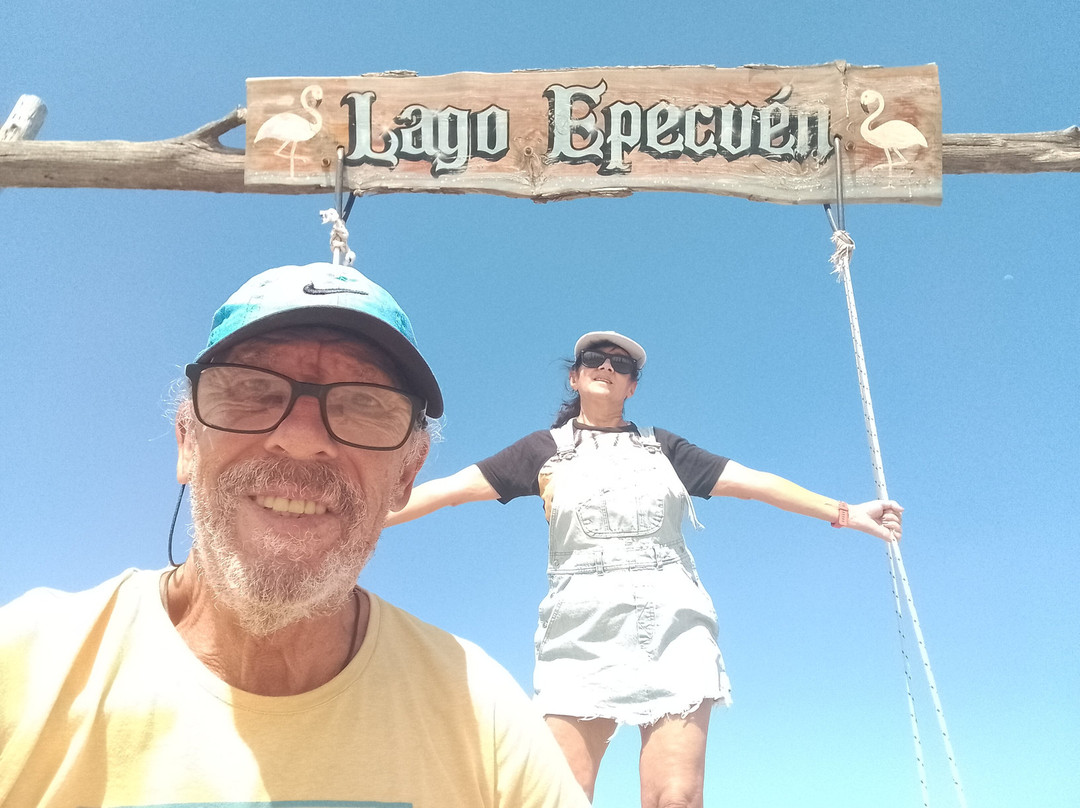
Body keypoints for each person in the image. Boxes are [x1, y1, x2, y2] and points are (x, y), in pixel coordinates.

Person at [0, 263, 590, 808]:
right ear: (187, 442)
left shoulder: (479, 710)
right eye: (253, 389)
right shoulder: (25, 663)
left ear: (406, 476)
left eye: (364, 404)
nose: (304, 437)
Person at [386, 330, 904, 807]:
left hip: (673, 622)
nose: (606, 367)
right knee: (556, 794)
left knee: (674, 798)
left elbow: (755, 482)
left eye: (621, 364)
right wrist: (361, 515)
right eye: (594, 359)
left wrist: (845, 512)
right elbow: (445, 492)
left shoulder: (665, 449)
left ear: (632, 386)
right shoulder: (541, 450)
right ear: (575, 375)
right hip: (579, 628)